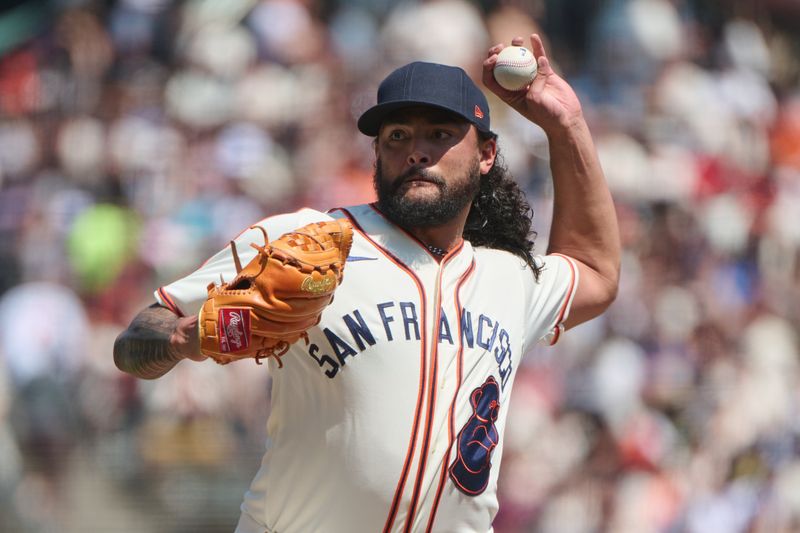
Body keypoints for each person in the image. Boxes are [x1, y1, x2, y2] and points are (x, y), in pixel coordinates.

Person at [114, 34, 620, 533]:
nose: (417, 152)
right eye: (398, 135)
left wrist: (567, 125)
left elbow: (595, 271)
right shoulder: (308, 241)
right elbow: (133, 342)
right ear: (377, 151)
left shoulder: (507, 276)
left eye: (440, 134)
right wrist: (186, 338)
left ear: (486, 154)